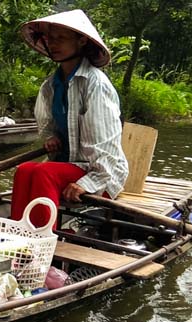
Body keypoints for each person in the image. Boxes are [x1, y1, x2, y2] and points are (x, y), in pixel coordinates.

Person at [10, 9, 128, 228]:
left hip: (99, 171)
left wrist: (89, 182)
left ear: (82, 41)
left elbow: (107, 146)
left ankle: (43, 242)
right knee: (25, 170)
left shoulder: (95, 84)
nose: (53, 44)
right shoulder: (51, 85)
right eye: (51, 38)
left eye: (61, 38)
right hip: (67, 163)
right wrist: (52, 137)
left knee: (44, 173)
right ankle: (19, 236)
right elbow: (49, 125)